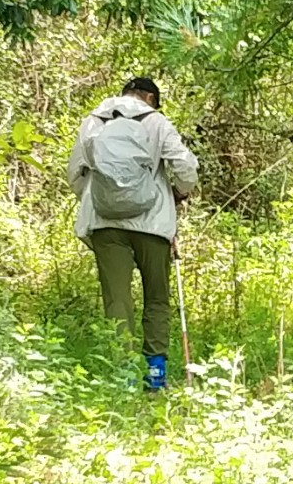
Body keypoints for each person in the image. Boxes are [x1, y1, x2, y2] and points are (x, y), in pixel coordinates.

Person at [70, 74, 198, 390]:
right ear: (151, 99)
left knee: (117, 299)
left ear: (125, 93)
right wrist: (179, 193)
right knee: (156, 297)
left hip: (105, 224)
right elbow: (186, 168)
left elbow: (74, 173)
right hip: (153, 224)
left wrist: (98, 198)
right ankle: (156, 377)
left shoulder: (93, 122)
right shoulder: (157, 122)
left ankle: (124, 377)